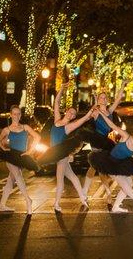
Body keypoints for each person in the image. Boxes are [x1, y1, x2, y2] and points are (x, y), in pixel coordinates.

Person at [37, 84, 93, 212]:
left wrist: (91, 111)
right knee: (72, 177)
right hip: (54, 152)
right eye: (70, 111)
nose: (71, 114)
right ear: (66, 111)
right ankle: (83, 198)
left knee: (60, 178)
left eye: (73, 114)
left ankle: (56, 204)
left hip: (61, 154)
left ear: (73, 117)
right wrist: (62, 88)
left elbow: (83, 119)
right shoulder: (57, 120)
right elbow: (56, 102)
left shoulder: (68, 127)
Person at [82, 79, 128, 204]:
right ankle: (101, 193)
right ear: (98, 100)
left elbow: (118, 99)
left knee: (98, 168)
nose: (103, 99)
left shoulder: (109, 111)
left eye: (104, 98)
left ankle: (90, 192)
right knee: (98, 167)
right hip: (98, 141)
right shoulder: (96, 112)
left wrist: (123, 85)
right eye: (100, 98)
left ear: (107, 100)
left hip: (109, 141)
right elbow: (86, 116)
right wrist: (94, 104)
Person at [0, 105, 41, 215]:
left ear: (21, 115)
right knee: (18, 176)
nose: (16, 116)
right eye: (14, 114)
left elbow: (38, 137)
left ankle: (2, 205)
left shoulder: (25, 127)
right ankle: (28, 200)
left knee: (10, 180)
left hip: (21, 157)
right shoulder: (6, 130)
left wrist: (30, 151)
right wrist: (4, 149)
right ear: (11, 115)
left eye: (19, 113)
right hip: (11, 156)